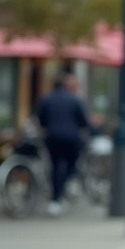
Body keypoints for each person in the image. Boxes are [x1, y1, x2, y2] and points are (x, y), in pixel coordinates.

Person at [36, 71, 90, 217]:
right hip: (71, 139)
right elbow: (83, 122)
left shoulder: (46, 99)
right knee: (72, 165)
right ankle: (58, 191)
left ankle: (55, 195)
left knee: (54, 166)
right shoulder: (74, 100)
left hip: (51, 138)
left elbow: (41, 120)